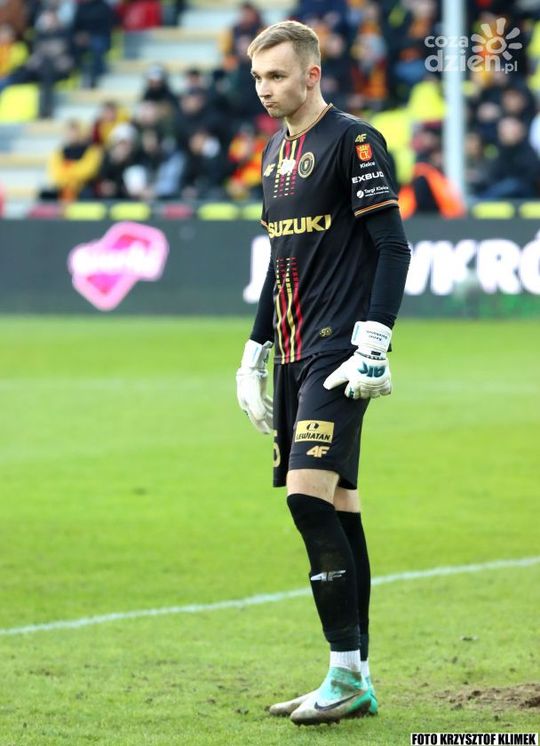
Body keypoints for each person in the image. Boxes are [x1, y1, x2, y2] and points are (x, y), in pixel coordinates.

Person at [235, 20, 410, 727]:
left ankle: (341, 674)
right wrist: (253, 353)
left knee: (306, 500)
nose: (264, 89)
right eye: (257, 77)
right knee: (339, 507)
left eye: (276, 76)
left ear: (312, 74)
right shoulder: (274, 152)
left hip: (339, 352)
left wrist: (376, 341)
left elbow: (392, 247)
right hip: (293, 352)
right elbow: (280, 262)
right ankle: (356, 677)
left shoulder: (354, 141)